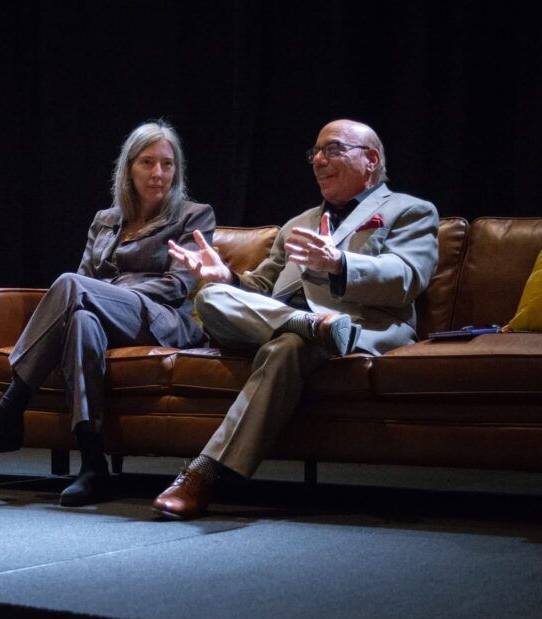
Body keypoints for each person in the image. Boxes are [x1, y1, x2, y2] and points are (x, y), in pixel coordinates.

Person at [151, 119, 439, 519]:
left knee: (287, 345)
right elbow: (261, 289)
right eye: (316, 152)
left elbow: (407, 278)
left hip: (360, 328)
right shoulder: (298, 224)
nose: (319, 160)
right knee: (215, 296)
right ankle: (308, 324)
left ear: (371, 160)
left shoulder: (409, 211)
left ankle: (203, 473)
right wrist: (227, 277)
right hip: (290, 322)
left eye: (333, 149)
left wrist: (341, 263)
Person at [0, 119, 216, 506]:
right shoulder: (105, 221)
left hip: (164, 319)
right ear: (128, 168)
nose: (159, 173)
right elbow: (82, 280)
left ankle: (10, 408)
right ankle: (93, 465)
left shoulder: (194, 216)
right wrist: (99, 296)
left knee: (77, 292)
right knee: (81, 320)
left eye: (167, 163)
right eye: (148, 163)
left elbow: (178, 285)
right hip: (106, 316)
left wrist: (109, 293)